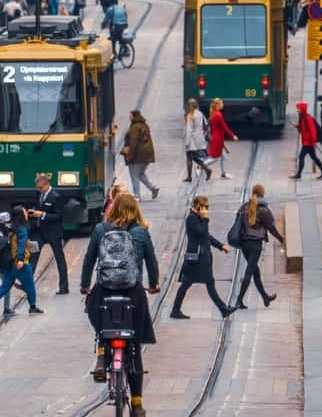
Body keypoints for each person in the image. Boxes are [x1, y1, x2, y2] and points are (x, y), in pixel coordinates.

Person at [81, 193, 159, 417]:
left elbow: (89, 260)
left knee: (97, 319)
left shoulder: (100, 230)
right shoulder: (141, 233)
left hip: (104, 292)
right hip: (133, 294)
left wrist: (85, 285)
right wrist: (153, 284)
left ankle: (102, 352)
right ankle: (137, 404)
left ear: (113, 209)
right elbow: (152, 263)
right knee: (133, 347)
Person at [170, 196, 235, 319]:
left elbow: (207, 236)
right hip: (198, 259)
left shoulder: (198, 218)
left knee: (189, 284)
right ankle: (223, 309)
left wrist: (221, 246)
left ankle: (176, 310)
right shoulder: (192, 219)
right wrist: (205, 219)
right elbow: (201, 232)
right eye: (204, 207)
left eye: (207, 207)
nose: (206, 210)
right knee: (203, 283)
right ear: (197, 207)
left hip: (201, 258)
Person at [233, 185, 285, 309]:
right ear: (262, 194)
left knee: (255, 271)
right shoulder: (263, 210)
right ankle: (239, 300)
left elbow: (236, 223)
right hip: (255, 245)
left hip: (244, 244)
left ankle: (265, 297)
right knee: (249, 271)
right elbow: (271, 228)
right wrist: (281, 238)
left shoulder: (244, 206)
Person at [28, 175, 69, 294]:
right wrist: (33, 212)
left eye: (40, 187)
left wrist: (43, 215)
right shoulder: (39, 194)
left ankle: (64, 287)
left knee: (59, 258)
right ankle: (27, 283)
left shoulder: (56, 197)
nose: (38, 189)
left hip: (53, 232)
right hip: (40, 231)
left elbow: (59, 216)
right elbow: (38, 206)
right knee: (33, 256)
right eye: (37, 188)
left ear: (46, 185)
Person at [122, 110, 159, 200]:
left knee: (134, 174)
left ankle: (137, 195)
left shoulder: (135, 127)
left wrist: (129, 155)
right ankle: (153, 188)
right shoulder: (144, 125)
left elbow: (133, 143)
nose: (129, 117)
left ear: (134, 117)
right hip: (146, 155)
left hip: (137, 156)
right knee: (140, 174)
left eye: (130, 116)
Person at [290, 102, 322, 178]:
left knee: (301, 157)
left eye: (299, 109)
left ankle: (299, 174)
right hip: (307, 142)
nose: (297, 110)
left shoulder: (307, 118)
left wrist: (313, 141)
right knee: (314, 157)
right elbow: (304, 129)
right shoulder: (303, 118)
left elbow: (313, 130)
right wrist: (297, 126)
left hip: (308, 142)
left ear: (302, 109)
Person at [204, 99, 238, 178]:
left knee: (224, 156)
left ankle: (224, 173)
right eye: (222, 103)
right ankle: (201, 165)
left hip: (217, 137)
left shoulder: (214, 114)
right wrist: (233, 136)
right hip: (217, 138)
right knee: (215, 158)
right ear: (217, 105)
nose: (223, 104)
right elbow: (224, 127)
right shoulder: (218, 115)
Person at [183, 99, 212, 182]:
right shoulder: (200, 113)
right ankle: (207, 169)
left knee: (189, 157)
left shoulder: (190, 115)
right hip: (199, 139)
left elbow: (189, 130)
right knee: (195, 157)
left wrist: (187, 142)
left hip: (192, 140)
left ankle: (189, 177)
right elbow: (206, 125)